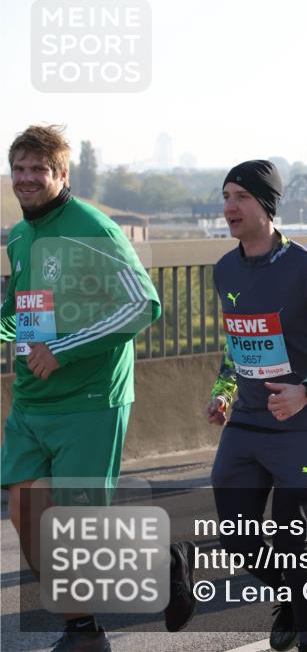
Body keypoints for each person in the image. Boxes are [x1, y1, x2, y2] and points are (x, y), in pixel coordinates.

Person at [0, 125, 161, 650]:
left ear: (61, 174)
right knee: (26, 515)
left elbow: (143, 305)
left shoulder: (93, 227)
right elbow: (21, 311)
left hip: (91, 401)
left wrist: (63, 350)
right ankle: (83, 625)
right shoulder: (20, 235)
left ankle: (89, 626)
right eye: (18, 169)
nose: (26, 179)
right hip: (32, 400)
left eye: (37, 170)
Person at [204, 160, 307, 652]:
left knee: (292, 538)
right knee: (237, 540)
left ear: (266, 206)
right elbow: (237, 343)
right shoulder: (225, 268)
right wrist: (223, 392)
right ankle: (294, 604)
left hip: (299, 423)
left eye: (241, 197)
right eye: (226, 195)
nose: (230, 206)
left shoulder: (306, 266)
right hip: (247, 423)